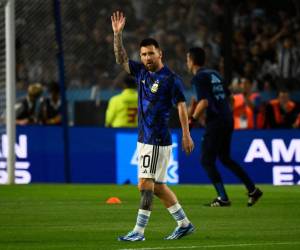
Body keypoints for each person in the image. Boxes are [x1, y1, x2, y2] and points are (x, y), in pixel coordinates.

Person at [111, 11, 194, 241]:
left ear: (160, 54)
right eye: (144, 54)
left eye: (151, 54)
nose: (147, 58)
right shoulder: (141, 73)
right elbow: (121, 60)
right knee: (157, 186)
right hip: (145, 137)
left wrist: (186, 134)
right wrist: (117, 35)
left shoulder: (170, 79)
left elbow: (181, 106)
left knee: (144, 184)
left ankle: (138, 232)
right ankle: (184, 223)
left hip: (156, 138)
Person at [187, 47, 263, 207]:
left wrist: (192, 121)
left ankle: (223, 198)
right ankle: (253, 190)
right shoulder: (214, 74)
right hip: (227, 119)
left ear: (191, 61)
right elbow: (231, 99)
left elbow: (204, 102)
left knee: (207, 161)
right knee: (225, 159)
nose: (187, 62)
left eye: (187, 59)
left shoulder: (198, 77)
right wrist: (223, 112)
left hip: (216, 122)